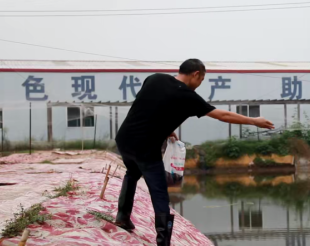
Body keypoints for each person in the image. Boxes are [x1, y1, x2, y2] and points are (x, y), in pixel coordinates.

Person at [114, 59, 274, 245]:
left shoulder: (155, 78)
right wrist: (254, 121)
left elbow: (149, 108)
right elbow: (223, 115)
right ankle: (163, 241)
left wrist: (166, 129)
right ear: (196, 74)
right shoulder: (188, 97)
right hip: (146, 148)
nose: (199, 85)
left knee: (132, 173)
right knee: (159, 193)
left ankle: (122, 217)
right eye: (202, 80)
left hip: (124, 139)